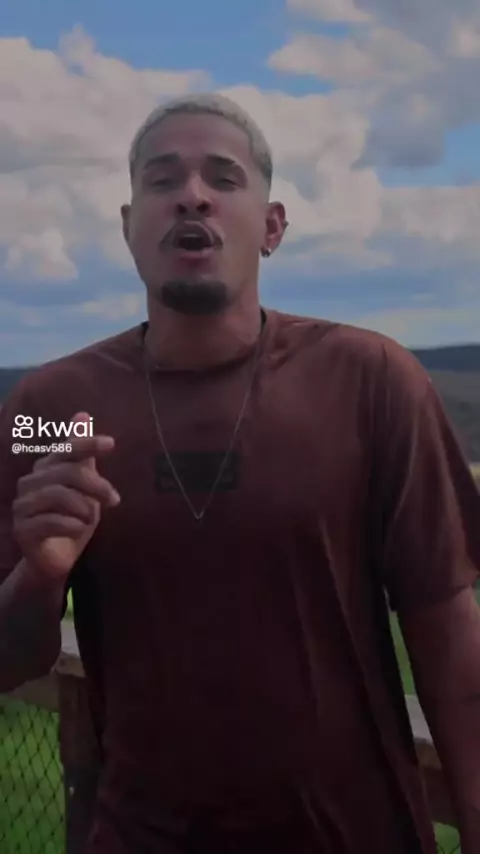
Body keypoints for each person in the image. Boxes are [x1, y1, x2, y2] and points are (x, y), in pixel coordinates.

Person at [1, 93, 480, 854]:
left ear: (272, 226)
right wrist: (38, 574)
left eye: (223, 178)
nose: (192, 195)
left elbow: (452, 646)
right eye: (162, 179)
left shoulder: (374, 383)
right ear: (128, 227)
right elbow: (8, 658)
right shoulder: (53, 410)